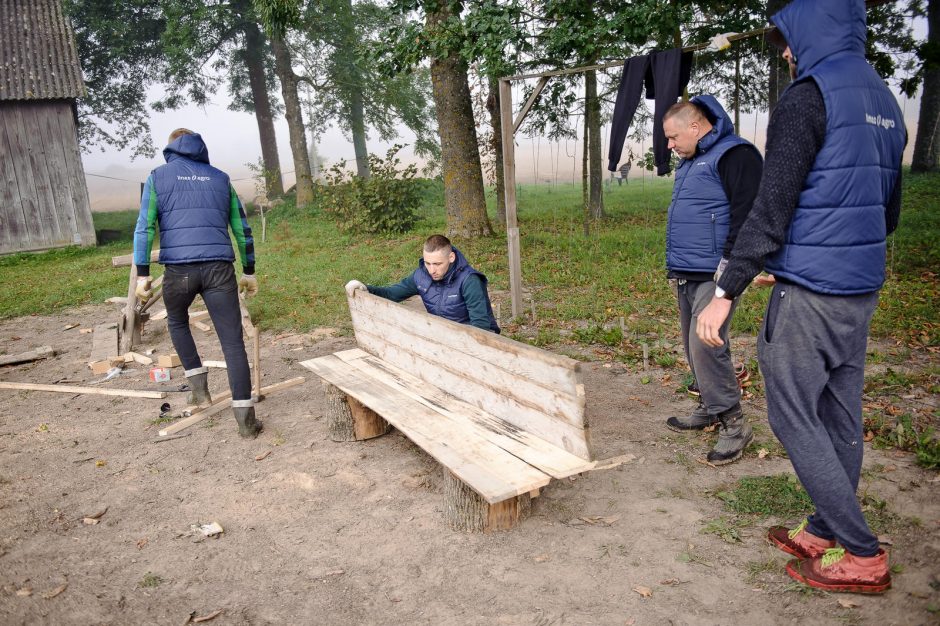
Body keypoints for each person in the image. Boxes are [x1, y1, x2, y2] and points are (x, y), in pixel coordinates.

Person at [696, 0, 905, 594]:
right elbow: (883, 213)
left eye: (788, 38)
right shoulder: (884, 101)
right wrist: (803, 260)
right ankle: (822, 528)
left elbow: (772, 205)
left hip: (812, 296)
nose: (785, 51)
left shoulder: (808, 96)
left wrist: (725, 290)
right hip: (858, 289)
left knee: (792, 415)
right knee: (840, 413)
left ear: (809, 30)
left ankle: (862, 553)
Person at [133, 128, 262, 438]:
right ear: (201, 149)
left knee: (177, 322)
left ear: (171, 148)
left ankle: (199, 390)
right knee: (232, 342)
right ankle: (246, 421)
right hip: (219, 268)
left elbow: (144, 227)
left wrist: (142, 273)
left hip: (179, 272)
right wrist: (249, 271)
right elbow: (242, 230)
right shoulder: (220, 178)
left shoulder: (157, 177)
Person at [660, 95, 763, 465]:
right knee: (692, 345)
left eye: (673, 137)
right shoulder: (692, 161)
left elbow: (749, 216)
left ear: (695, 125)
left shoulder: (735, 155)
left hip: (716, 272)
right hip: (688, 270)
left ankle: (735, 424)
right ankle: (709, 405)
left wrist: (731, 271)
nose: (670, 146)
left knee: (706, 345)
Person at [345, 234, 500, 333]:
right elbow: (391, 294)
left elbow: (481, 328)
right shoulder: (421, 276)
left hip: (473, 340)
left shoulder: (469, 280)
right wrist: (365, 288)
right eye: (428, 263)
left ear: (451, 258)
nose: (432, 270)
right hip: (442, 336)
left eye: (438, 264)